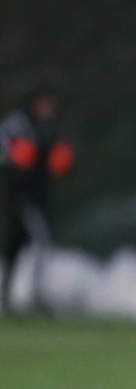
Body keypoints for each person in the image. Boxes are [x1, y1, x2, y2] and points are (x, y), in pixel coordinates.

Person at [0, 86, 74, 315]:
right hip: (21, 197)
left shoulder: (50, 126)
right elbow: (6, 151)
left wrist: (65, 163)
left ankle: (8, 295)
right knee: (41, 241)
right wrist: (13, 158)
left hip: (40, 196)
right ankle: (34, 295)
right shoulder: (17, 123)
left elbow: (62, 157)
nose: (49, 109)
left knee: (17, 245)